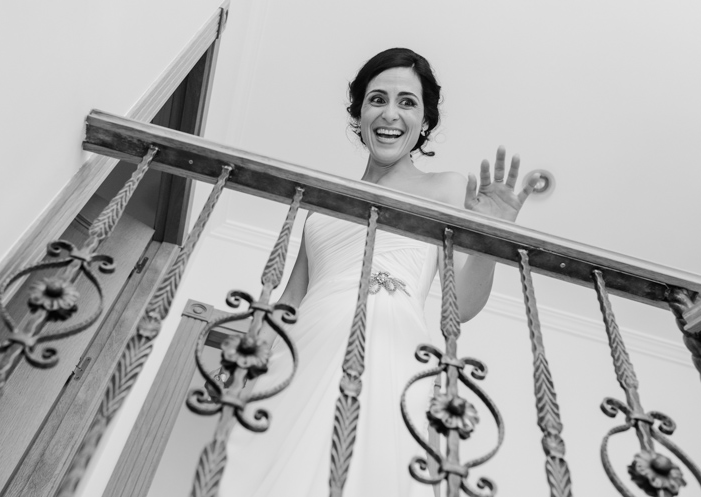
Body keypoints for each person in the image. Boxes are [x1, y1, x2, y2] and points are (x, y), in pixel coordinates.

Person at [218, 48, 537, 496]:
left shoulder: (446, 187)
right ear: (359, 113)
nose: (391, 114)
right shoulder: (323, 202)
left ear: (424, 120)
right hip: (305, 345)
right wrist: (244, 362)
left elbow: (462, 306)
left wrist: (491, 239)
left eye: (407, 102)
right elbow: (289, 301)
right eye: (377, 99)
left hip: (391, 340)